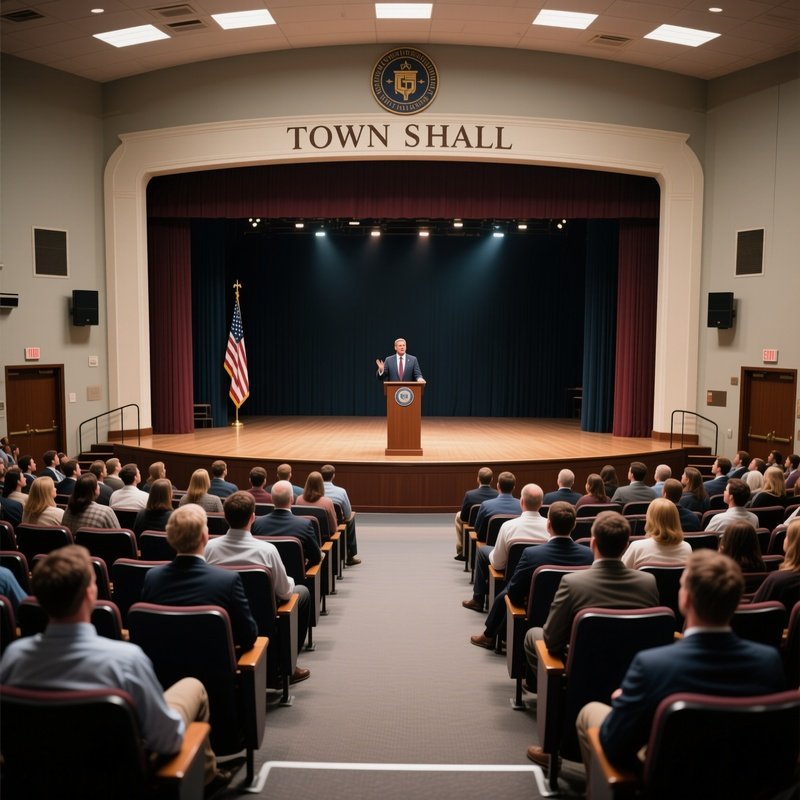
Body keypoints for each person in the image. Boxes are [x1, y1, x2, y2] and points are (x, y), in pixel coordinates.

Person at [0, 544, 229, 790]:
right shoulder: (126, 660)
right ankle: (206, 778)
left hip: (38, 781)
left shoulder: (13, 657)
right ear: (90, 593)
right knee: (192, 686)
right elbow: (167, 741)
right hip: (119, 783)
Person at [575, 549, 786, 775]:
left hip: (668, 780)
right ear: (736, 601)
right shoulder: (769, 662)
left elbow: (615, 744)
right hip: (745, 779)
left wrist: (624, 704)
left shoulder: (652, 665)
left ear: (686, 599)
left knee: (590, 712)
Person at [524, 511, 659, 767]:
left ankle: (554, 726)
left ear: (593, 543)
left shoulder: (573, 582)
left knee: (535, 636)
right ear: (626, 544)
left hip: (581, 673)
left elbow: (551, 640)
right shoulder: (648, 582)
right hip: (632, 672)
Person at [204, 491, 311, 683]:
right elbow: (285, 592)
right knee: (301, 593)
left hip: (220, 616)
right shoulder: (267, 550)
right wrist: (293, 581)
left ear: (226, 517)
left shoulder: (208, 548)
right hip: (263, 617)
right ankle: (285, 667)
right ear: (253, 517)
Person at [470, 502, 594, 649]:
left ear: (548, 525)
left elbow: (514, 594)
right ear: (574, 525)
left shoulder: (532, 554)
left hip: (536, 615)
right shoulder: (589, 555)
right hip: (576, 618)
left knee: (506, 592)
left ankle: (489, 635)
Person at [141, 504, 258, 651]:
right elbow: (248, 636)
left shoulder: (152, 578)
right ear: (204, 536)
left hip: (164, 668)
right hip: (215, 669)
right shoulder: (228, 581)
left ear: (170, 537)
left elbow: (148, 629)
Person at [463, 483, 548, 612]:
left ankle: (478, 599)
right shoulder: (550, 527)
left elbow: (497, 564)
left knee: (482, 552)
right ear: (541, 503)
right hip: (543, 576)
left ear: (522, 502)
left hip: (511, 573)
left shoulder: (508, 526)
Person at [251, 481, 322, 567]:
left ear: (272, 499)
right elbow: (316, 558)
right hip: (297, 578)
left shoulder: (257, 523)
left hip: (266, 578)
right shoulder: (304, 524)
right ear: (292, 499)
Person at [621, 497, 692, 568]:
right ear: (676, 520)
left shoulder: (636, 547)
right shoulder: (687, 548)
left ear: (650, 519)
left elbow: (621, 573)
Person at [753, 519, 800, 614]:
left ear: (793, 543)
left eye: (787, 535)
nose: (784, 539)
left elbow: (755, 615)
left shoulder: (777, 580)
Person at [454, 467, 498, 560]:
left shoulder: (470, 495)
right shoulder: (497, 495)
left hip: (473, 524)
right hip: (492, 526)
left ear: (478, 479)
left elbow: (464, 517)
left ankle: (462, 551)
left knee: (458, 515)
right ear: (492, 480)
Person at [320, 464, 360, 566]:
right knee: (351, 518)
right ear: (333, 476)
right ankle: (350, 556)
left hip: (316, 526)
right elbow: (347, 514)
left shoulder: (311, 493)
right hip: (335, 526)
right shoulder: (341, 492)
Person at [472, 471, 519, 542]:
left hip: (490, 546)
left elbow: (477, 529)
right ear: (513, 488)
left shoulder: (486, 505)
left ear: (498, 486)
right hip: (513, 546)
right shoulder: (522, 506)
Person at [296, 471, 337, 538]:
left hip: (302, 538)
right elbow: (333, 528)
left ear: (307, 483)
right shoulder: (328, 502)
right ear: (321, 484)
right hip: (323, 541)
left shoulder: (298, 500)